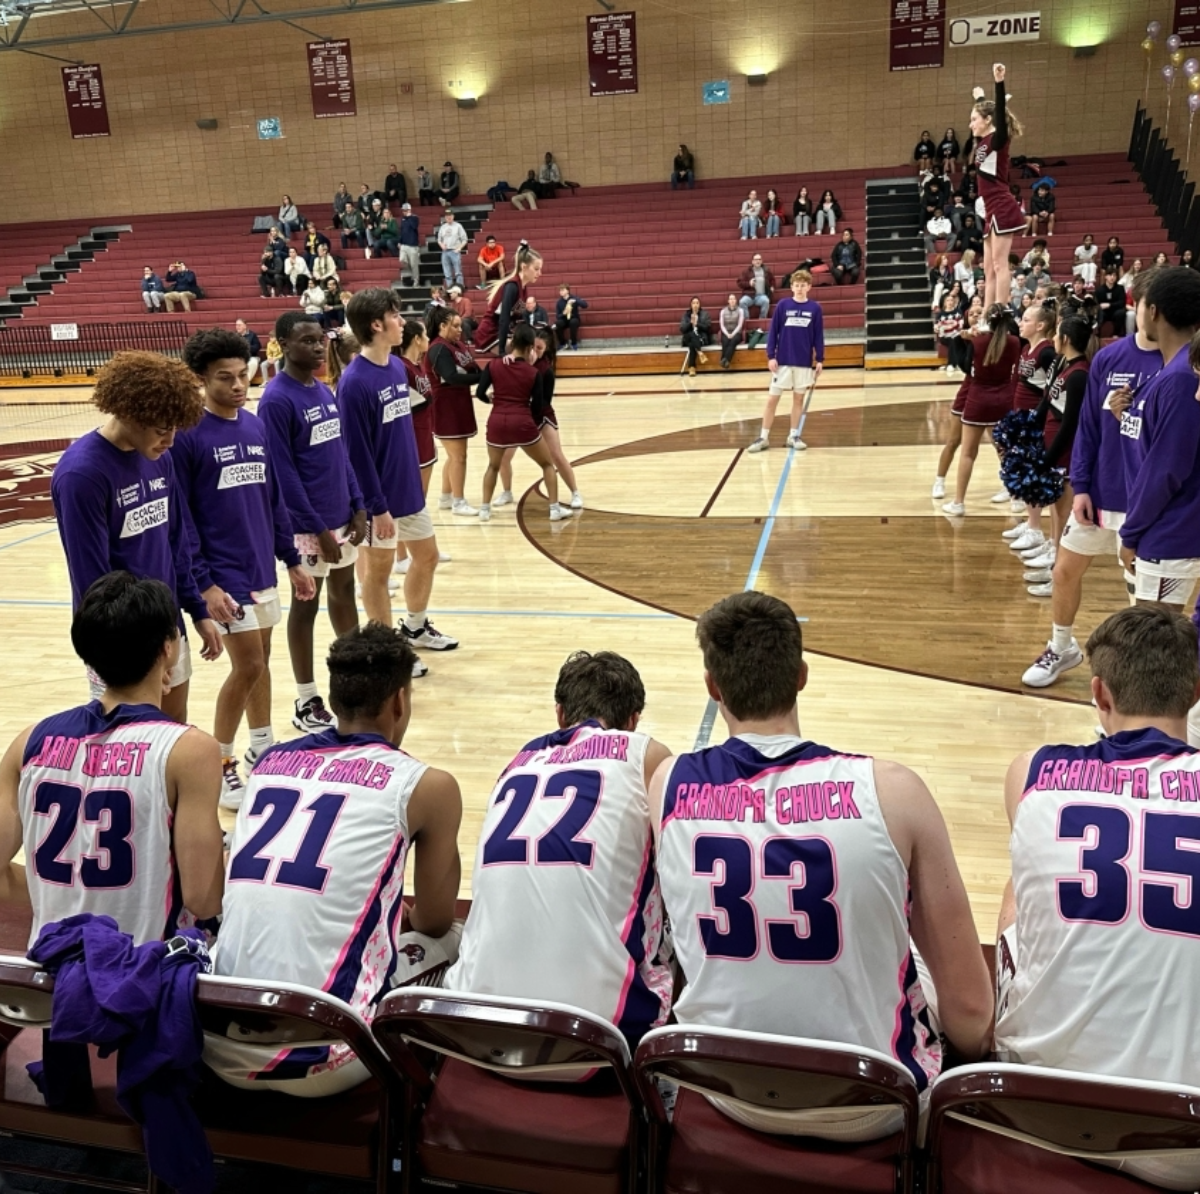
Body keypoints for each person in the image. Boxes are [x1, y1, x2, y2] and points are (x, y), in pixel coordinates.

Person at [651, 591, 992, 1139]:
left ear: (713, 688)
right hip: (872, 1104)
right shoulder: (894, 790)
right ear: (802, 675)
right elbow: (972, 1014)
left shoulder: (668, 783)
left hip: (723, 1089)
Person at [209, 623, 464, 1097]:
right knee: (455, 939)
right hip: (324, 1051)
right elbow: (432, 920)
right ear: (400, 701)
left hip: (212, 1034)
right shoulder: (426, 785)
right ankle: (424, 1104)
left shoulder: (267, 765)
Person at [998, 606, 1200, 1191]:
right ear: (1194, 692)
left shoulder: (1032, 772)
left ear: (1098, 693)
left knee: (1023, 886)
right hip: (1185, 1139)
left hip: (1039, 1110)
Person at [447, 648, 670, 1043]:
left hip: (478, 1027)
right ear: (633, 720)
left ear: (560, 714)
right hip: (597, 1039)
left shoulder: (518, 762)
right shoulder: (646, 754)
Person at [0, 572, 225, 945]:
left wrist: (68, 898)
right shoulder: (190, 751)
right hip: (139, 978)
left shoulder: (29, 741)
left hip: (51, 973)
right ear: (170, 647)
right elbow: (204, 898)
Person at [175, 330, 316, 805]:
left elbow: (273, 500)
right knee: (249, 664)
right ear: (200, 379)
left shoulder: (255, 426)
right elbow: (183, 519)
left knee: (260, 665)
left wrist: (292, 560)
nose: (239, 385)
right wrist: (205, 584)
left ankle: (263, 745)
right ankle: (219, 763)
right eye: (225, 378)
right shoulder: (187, 436)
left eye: (243, 375)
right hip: (223, 574)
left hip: (261, 567)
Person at [50, 351, 221, 723]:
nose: (170, 441)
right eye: (162, 429)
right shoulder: (82, 475)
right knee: (129, 741)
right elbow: (93, 582)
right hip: (119, 637)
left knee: (172, 733)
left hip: (166, 622)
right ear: (129, 411)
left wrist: (195, 611)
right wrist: (137, 652)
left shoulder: (159, 456)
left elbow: (176, 541)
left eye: (176, 429)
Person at [1020, 275, 1164, 688]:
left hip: (1144, 499)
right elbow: (1086, 428)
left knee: (1140, 596)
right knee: (1065, 570)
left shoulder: (1183, 362)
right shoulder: (1110, 358)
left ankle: (1137, 682)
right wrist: (1080, 484)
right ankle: (1061, 646)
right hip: (1100, 491)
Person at [257, 311, 367, 732]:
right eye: (307, 341)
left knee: (345, 592)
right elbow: (282, 476)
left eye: (320, 339)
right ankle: (306, 700)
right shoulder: (276, 399)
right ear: (283, 344)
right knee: (307, 606)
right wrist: (319, 529)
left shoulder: (322, 390)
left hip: (342, 515)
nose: (318, 347)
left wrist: (358, 506)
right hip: (307, 526)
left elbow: (341, 456)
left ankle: (356, 677)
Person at [336, 289, 457, 663]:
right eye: (396, 315)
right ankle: (388, 653)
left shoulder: (395, 367)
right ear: (376, 324)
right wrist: (376, 507)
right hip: (379, 502)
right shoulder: (354, 382)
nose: (402, 322)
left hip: (408, 491)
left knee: (428, 556)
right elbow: (355, 456)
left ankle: (415, 627)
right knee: (377, 572)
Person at [1117, 268, 1200, 610]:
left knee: (1153, 646)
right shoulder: (1170, 372)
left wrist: (1131, 531)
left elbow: (1166, 468)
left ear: (1153, 312)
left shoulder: (1182, 378)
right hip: (1160, 524)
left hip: (1170, 530)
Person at [1020, 315, 1093, 597]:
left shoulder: (1079, 375)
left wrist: (1048, 459)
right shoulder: (1065, 367)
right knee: (1055, 510)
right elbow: (1049, 403)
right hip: (1053, 447)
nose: (1053, 338)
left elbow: (1071, 423)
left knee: (1063, 515)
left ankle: (1059, 577)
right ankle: (1054, 561)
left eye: (1057, 334)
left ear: (1066, 339)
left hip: (1065, 453)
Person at [474, 325, 572, 522]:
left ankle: (484, 509)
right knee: (546, 464)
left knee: (493, 466)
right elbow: (537, 407)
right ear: (529, 348)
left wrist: (494, 399)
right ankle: (554, 509)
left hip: (496, 422)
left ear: (512, 344)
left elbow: (479, 393)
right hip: (522, 422)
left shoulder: (494, 365)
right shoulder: (532, 373)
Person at [941, 303, 1020, 516]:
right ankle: (1016, 499)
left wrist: (962, 340)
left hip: (978, 400)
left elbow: (967, 368)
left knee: (968, 453)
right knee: (1004, 451)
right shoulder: (1014, 342)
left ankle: (959, 503)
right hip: (1004, 400)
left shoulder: (977, 341)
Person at [747, 270, 824, 453]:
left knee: (798, 400)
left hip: (803, 362)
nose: (799, 288)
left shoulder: (815, 308)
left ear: (809, 287)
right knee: (772, 400)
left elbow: (818, 336)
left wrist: (820, 359)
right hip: (782, 362)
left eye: (803, 285)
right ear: (791, 287)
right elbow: (773, 332)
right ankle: (763, 437)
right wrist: (771, 356)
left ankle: (793, 435)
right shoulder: (783, 305)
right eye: (796, 285)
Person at [969, 62, 1025, 312]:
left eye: (973, 119)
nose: (970, 124)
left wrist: (999, 82)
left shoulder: (999, 138)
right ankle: (985, 317)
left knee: (1001, 265)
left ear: (988, 121)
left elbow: (998, 112)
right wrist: (980, 98)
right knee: (988, 267)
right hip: (989, 208)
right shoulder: (983, 141)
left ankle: (999, 313)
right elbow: (989, 111)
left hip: (1001, 203)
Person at [428, 307, 483, 515]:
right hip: (445, 407)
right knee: (459, 456)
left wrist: (488, 374)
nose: (461, 330)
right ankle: (458, 502)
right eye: (456, 326)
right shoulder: (438, 349)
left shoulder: (457, 345)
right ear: (442, 326)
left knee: (453, 456)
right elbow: (452, 377)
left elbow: (474, 369)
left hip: (459, 404)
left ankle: (445, 497)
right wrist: (483, 379)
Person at [474, 241, 543, 353]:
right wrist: (502, 351)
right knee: (528, 352)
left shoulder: (523, 287)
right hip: (490, 334)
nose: (540, 273)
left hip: (503, 331)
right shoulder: (512, 286)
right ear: (524, 267)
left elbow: (518, 319)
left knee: (539, 342)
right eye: (536, 269)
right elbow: (503, 319)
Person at [737, 252, 774, 320]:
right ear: (752, 261)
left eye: (759, 259)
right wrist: (749, 283)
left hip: (761, 296)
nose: (758, 261)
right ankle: (746, 320)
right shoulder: (746, 271)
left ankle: (762, 320)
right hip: (749, 295)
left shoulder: (766, 270)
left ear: (761, 261)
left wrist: (772, 286)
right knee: (742, 302)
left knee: (766, 301)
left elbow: (772, 279)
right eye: (756, 259)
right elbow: (739, 283)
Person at [680, 297, 711, 376]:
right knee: (691, 334)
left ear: (699, 305)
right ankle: (700, 353)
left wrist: (697, 324)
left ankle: (692, 368)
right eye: (693, 303)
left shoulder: (705, 314)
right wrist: (690, 323)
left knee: (692, 344)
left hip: (701, 337)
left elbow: (708, 328)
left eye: (697, 303)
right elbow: (682, 329)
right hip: (688, 337)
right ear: (691, 305)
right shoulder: (686, 315)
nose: (695, 305)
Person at [437, 209, 467, 288]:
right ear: (445, 217)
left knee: (458, 272)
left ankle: (459, 289)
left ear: (453, 216)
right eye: (447, 216)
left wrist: (459, 248)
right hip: (445, 252)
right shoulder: (443, 227)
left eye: (450, 215)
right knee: (447, 274)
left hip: (455, 251)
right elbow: (439, 240)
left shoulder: (458, 226)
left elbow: (465, 239)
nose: (449, 217)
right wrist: (441, 245)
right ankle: (450, 290)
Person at [1093, 268, 1126, 338]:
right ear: (1105, 277)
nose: (1112, 277)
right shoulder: (1099, 290)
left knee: (1121, 312)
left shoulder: (1120, 288)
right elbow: (1096, 304)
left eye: (1114, 275)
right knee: (1099, 312)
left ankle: (1116, 334)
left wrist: (1109, 305)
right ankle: (1097, 334)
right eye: (1110, 275)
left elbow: (1122, 303)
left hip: (1115, 312)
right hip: (1104, 313)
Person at [396, 202, 421, 287]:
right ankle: (412, 275)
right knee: (402, 259)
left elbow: (414, 226)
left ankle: (416, 280)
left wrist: (409, 216)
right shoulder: (403, 219)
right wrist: (399, 241)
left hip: (413, 245)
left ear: (409, 210)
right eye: (403, 211)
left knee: (414, 264)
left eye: (405, 210)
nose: (404, 212)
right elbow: (402, 231)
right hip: (404, 244)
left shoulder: (414, 218)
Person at [555, 284, 587, 349]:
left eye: (563, 290)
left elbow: (585, 305)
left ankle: (574, 343)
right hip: (564, 319)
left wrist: (576, 301)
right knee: (557, 324)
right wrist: (564, 313)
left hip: (574, 318)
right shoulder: (559, 302)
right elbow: (558, 316)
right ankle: (563, 343)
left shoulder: (574, 298)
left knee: (573, 322)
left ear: (567, 291)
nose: (561, 292)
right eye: (560, 290)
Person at [234, 318, 262, 384]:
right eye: (236, 325)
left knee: (253, 363)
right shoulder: (234, 336)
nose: (237, 327)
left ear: (245, 326)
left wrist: (245, 348)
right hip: (239, 357)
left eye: (239, 325)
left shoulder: (252, 335)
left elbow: (257, 347)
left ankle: (245, 382)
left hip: (251, 356)